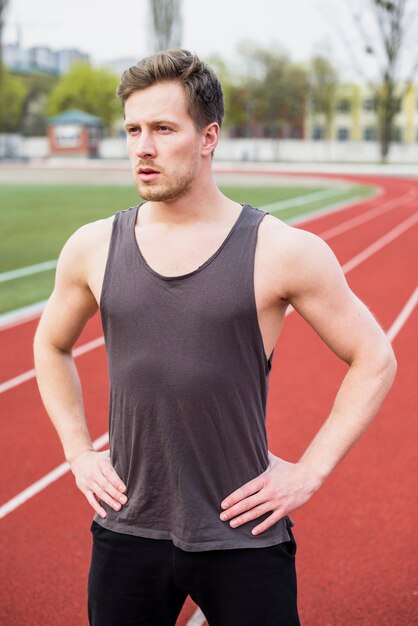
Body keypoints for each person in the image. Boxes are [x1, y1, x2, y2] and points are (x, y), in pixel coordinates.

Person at [34, 49, 396, 626]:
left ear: (208, 137)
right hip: (127, 529)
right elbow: (50, 345)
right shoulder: (92, 246)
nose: (142, 147)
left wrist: (309, 472)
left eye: (162, 129)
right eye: (132, 129)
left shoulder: (283, 250)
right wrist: (78, 453)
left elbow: (374, 357)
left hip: (243, 532)